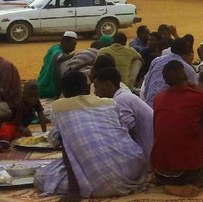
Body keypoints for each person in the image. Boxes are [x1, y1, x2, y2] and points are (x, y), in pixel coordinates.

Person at [34, 71, 147, 199]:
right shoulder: (109, 103)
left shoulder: (58, 108)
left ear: (63, 92)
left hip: (101, 183)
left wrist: (74, 190)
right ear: (88, 88)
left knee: (42, 177)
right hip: (135, 171)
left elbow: (62, 145)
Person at [152, 60, 203, 197]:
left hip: (158, 171)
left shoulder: (158, 98)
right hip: (186, 172)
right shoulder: (200, 96)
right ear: (184, 75)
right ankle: (193, 177)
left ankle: (168, 181)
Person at [91, 66, 154, 161]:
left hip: (147, 155)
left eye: (97, 87)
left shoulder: (121, 100)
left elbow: (127, 133)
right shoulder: (123, 96)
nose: (95, 92)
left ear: (107, 84)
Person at [142, 38, 199, 107]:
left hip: (148, 104)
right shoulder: (186, 68)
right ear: (187, 52)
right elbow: (196, 92)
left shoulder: (157, 60)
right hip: (168, 108)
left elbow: (147, 85)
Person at [36, 31, 78, 98]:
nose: (74, 47)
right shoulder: (55, 49)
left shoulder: (62, 51)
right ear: (65, 42)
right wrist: (75, 55)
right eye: (73, 44)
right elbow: (58, 57)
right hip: (46, 87)